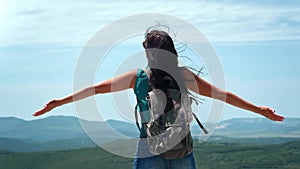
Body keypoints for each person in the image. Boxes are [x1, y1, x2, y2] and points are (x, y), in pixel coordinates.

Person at [33, 28, 284, 169]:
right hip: (182, 150)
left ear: (148, 51)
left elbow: (96, 89)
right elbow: (223, 95)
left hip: (148, 150)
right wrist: (259, 109)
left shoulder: (137, 76)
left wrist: (59, 102)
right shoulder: (184, 76)